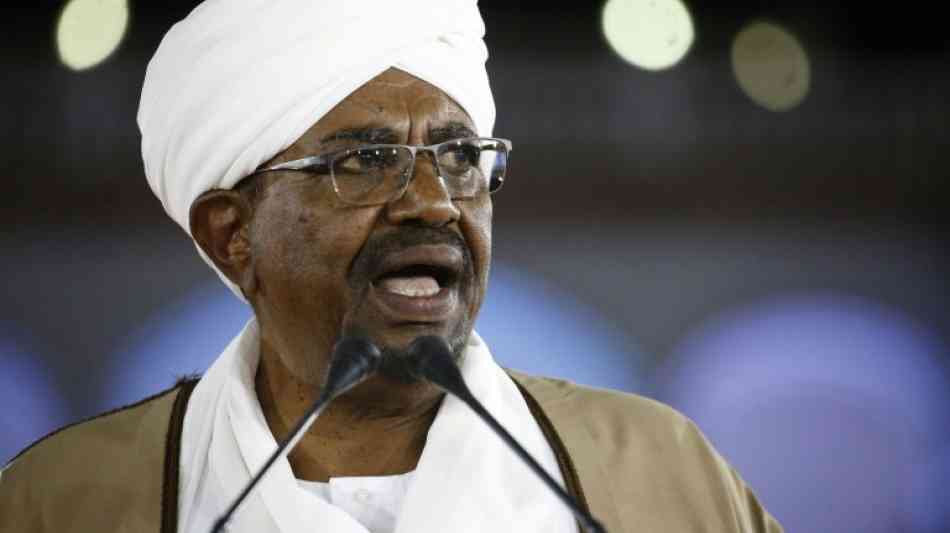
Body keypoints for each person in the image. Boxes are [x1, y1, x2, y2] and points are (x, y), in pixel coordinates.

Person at [0, 1, 782, 532]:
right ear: (232, 234)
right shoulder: (65, 503)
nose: (434, 202)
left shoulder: (661, 476)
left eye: (460, 156)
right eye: (368, 160)